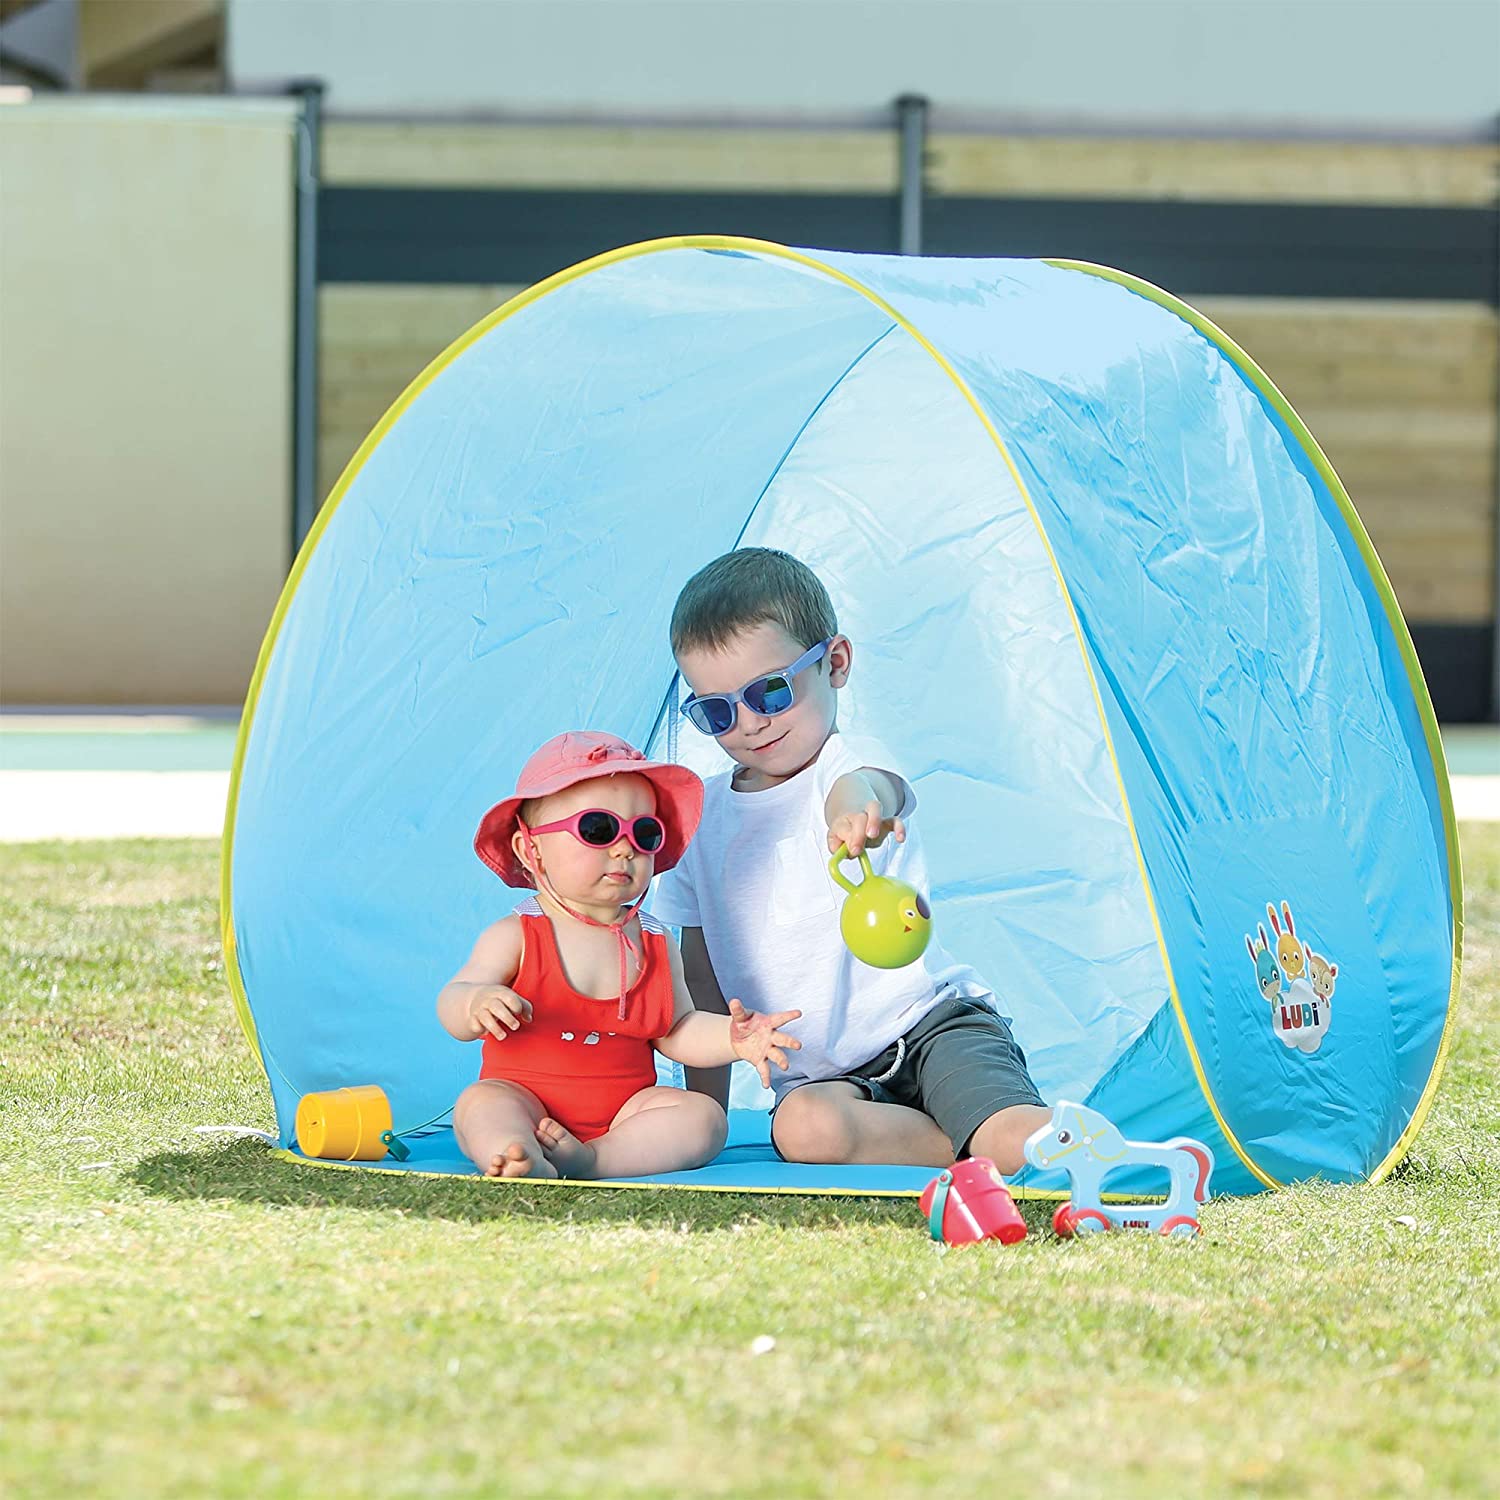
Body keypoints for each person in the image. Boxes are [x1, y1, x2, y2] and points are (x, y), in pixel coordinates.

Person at [654, 548, 1050, 1174]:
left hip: (932, 1028)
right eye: (718, 711)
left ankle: (1018, 1139)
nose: (750, 725)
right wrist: (709, 1114)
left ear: (834, 663)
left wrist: (854, 812)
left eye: (772, 690)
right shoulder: (697, 822)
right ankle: (960, 1145)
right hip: (825, 1079)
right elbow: (701, 981)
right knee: (802, 1132)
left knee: (1011, 1133)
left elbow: (874, 786)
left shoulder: (844, 765)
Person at [440, 730, 800, 1179]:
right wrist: (474, 1002)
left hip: (624, 1115)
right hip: (523, 1097)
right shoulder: (518, 934)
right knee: (481, 1104)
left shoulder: (653, 941)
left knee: (706, 1118)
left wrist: (733, 1038)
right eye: (598, 829)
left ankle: (596, 1159)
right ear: (531, 850)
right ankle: (514, 1151)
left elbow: (678, 1030)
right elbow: (455, 998)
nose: (626, 847)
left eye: (645, 833)